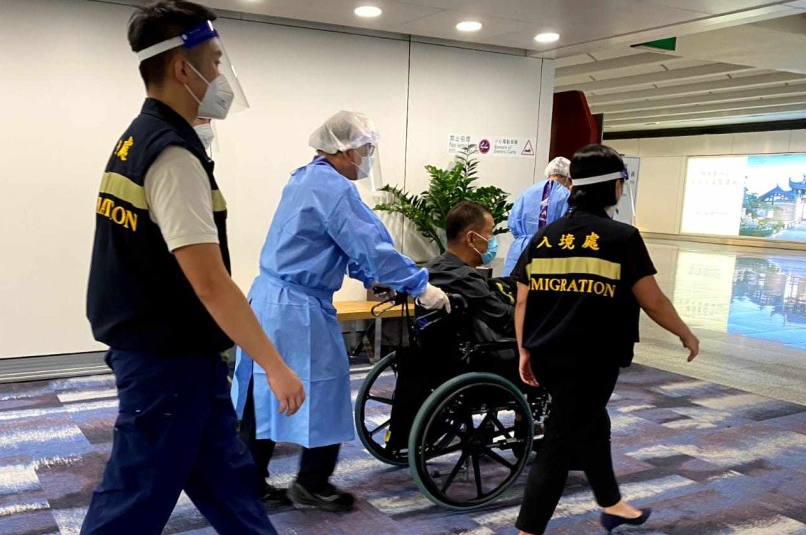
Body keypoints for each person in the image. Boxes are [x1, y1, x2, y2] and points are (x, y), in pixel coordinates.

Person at [52, 0, 342, 535]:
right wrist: (273, 364)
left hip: (176, 351)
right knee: (134, 496)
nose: (221, 76)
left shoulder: (138, 138)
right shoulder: (172, 157)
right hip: (166, 359)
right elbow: (210, 283)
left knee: (220, 470)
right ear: (182, 68)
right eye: (214, 61)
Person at [232, 110, 451, 513]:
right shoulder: (333, 188)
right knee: (325, 389)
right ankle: (312, 483)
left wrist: (373, 273)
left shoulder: (304, 178)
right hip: (299, 309)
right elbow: (371, 246)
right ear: (347, 150)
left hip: (267, 299)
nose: (367, 159)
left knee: (261, 391)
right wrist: (419, 285)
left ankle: (248, 481)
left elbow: (335, 244)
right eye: (366, 150)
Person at [509, 144, 700, 535]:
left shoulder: (544, 238)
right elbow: (652, 300)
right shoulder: (621, 239)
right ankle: (528, 533)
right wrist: (685, 333)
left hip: (547, 355)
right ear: (613, 186)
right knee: (561, 440)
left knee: (593, 424)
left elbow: (522, 301)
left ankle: (612, 504)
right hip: (591, 361)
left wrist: (524, 350)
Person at [426, 200, 514, 339]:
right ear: (471, 238)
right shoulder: (464, 279)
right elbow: (508, 319)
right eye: (490, 233)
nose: (492, 240)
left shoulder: (430, 268)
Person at [503, 156, 572, 276]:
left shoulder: (528, 192)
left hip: (521, 251)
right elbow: (569, 226)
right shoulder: (566, 196)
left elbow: (513, 223)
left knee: (514, 285)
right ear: (568, 177)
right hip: (550, 252)